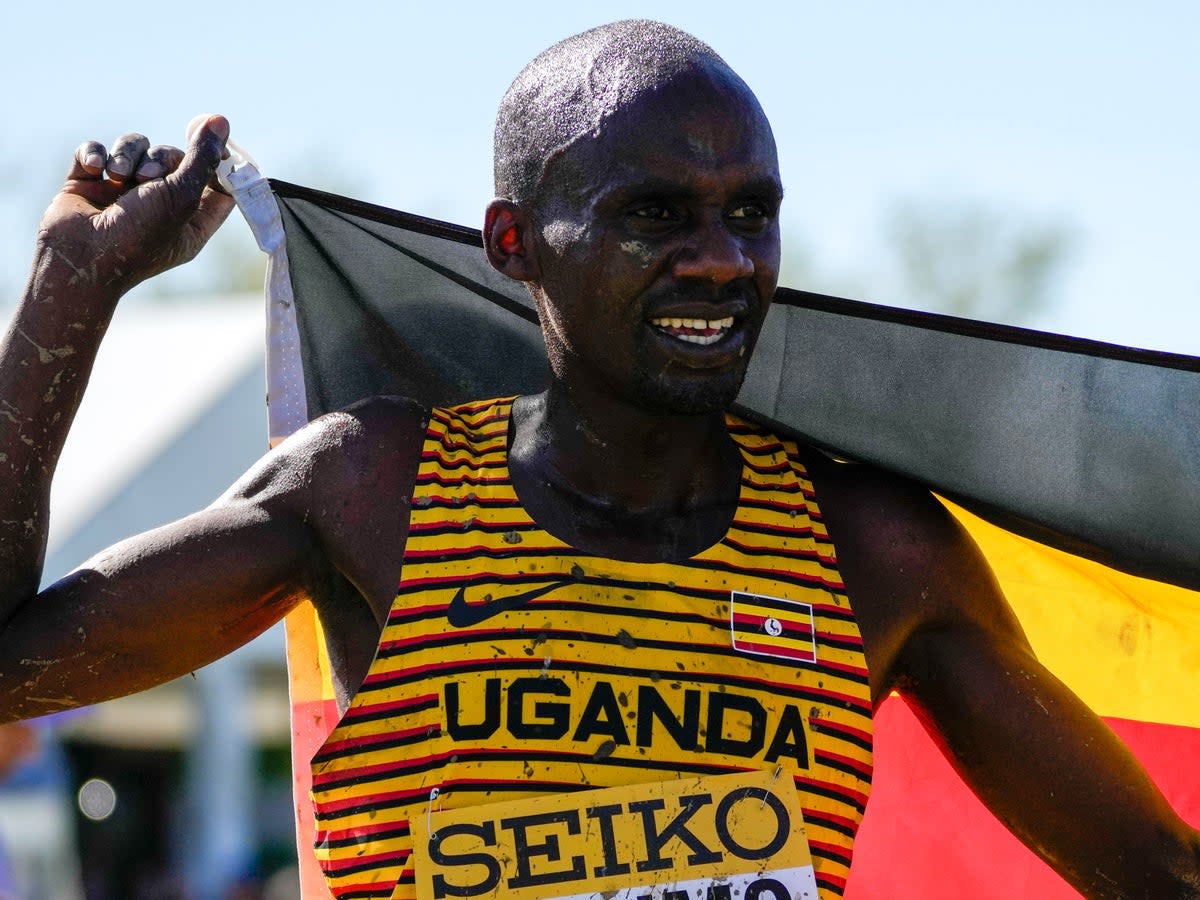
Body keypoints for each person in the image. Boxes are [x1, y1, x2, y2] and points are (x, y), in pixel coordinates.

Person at [0, 20, 1196, 900]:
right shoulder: (379, 494)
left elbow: (1157, 874)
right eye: (656, 215)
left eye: (752, 212)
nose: (725, 261)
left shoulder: (871, 553)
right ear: (516, 244)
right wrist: (72, 289)